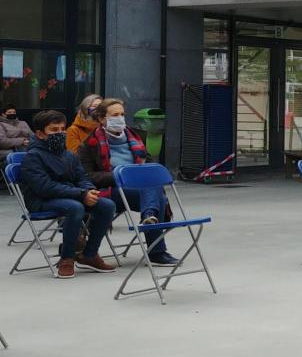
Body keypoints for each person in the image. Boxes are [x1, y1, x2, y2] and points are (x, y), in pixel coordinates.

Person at [78, 98, 181, 266]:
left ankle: (149, 217)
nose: (120, 118)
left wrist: (138, 176)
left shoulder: (136, 137)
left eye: (122, 114)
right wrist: (121, 176)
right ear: (102, 119)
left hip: (140, 190)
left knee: (153, 186)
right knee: (154, 193)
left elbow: (148, 165)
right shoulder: (89, 144)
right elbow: (88, 176)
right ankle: (157, 251)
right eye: (115, 115)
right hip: (111, 190)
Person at [18, 110, 117, 278]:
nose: (60, 133)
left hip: (71, 195)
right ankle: (67, 258)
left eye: (63, 129)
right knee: (75, 207)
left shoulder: (69, 154)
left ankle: (89, 254)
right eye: (54, 130)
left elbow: (82, 177)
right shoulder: (33, 156)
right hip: (41, 201)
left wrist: (89, 191)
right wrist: (81, 194)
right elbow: (45, 187)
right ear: (40, 134)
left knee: (107, 205)